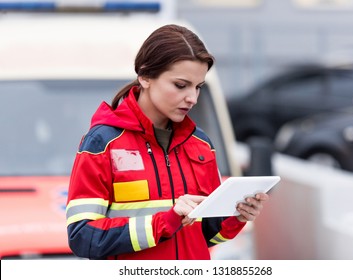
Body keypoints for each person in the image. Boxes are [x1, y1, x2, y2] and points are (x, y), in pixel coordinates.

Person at [65, 24, 269, 260]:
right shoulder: (103, 142)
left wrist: (237, 216)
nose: (192, 98)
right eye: (181, 85)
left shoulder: (201, 145)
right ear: (144, 76)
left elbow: (202, 235)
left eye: (198, 87)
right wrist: (165, 221)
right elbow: (82, 238)